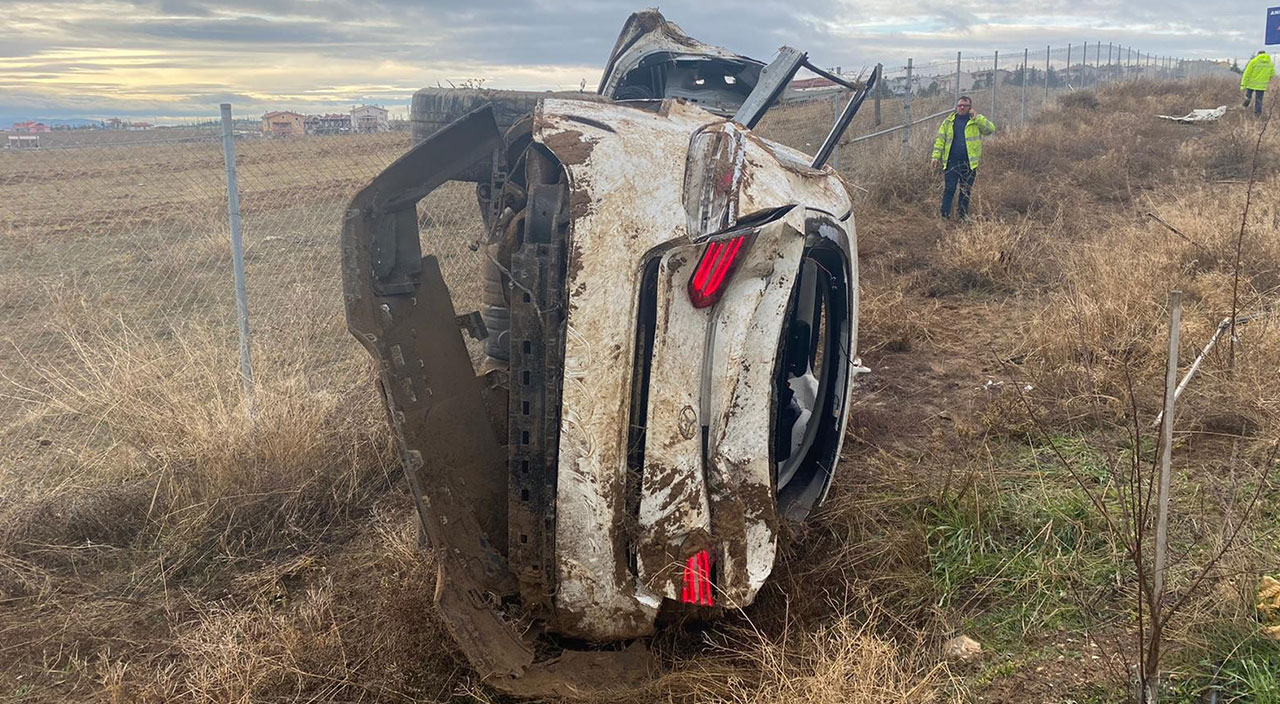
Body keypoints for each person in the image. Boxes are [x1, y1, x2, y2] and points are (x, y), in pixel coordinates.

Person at [931, 96, 995, 220]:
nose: (961, 108)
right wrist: (935, 156)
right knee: (949, 189)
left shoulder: (975, 121)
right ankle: (944, 215)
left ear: (970, 107)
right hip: (951, 162)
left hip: (969, 163)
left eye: (965, 106)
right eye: (959, 105)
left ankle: (962, 216)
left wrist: (977, 117)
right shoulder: (949, 122)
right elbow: (940, 140)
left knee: (965, 190)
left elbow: (990, 129)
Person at [1242, 51, 1275, 116]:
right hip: (1262, 85)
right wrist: (1266, 80)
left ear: (1258, 54)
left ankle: (1247, 101)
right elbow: (1272, 74)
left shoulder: (1253, 61)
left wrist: (1243, 84)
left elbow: (1247, 73)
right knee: (1259, 100)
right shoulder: (1270, 63)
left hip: (1251, 83)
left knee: (1248, 96)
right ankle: (1257, 114)